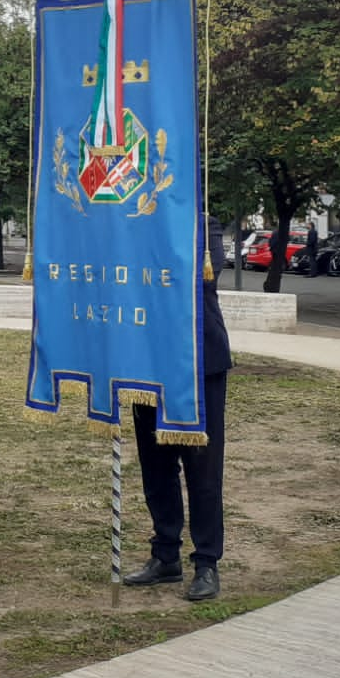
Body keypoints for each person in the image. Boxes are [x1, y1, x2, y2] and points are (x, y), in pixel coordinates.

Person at [119, 218, 232, 602]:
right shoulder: (132, 227)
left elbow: (203, 280)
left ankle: (206, 563)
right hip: (147, 362)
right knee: (156, 467)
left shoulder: (204, 225)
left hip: (197, 365)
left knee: (202, 471)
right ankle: (165, 555)